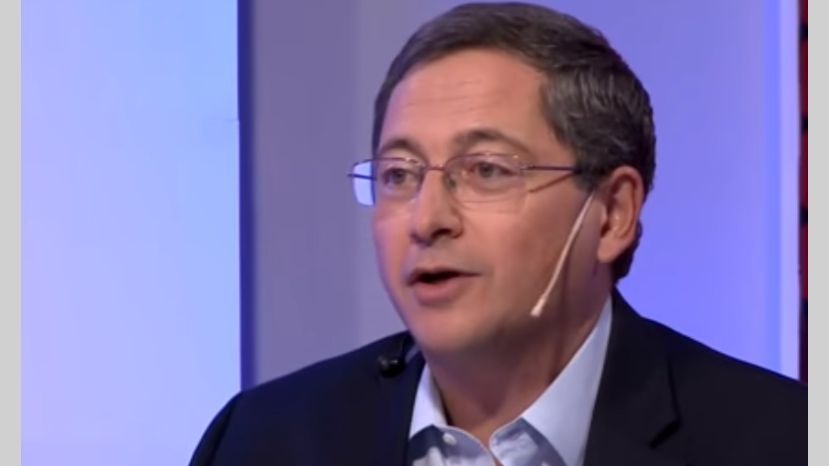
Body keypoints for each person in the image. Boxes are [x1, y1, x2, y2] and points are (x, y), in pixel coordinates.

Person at [190, 3, 806, 465]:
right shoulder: (263, 441)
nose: (427, 219)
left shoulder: (782, 441)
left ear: (612, 213)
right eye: (399, 174)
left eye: (485, 170)